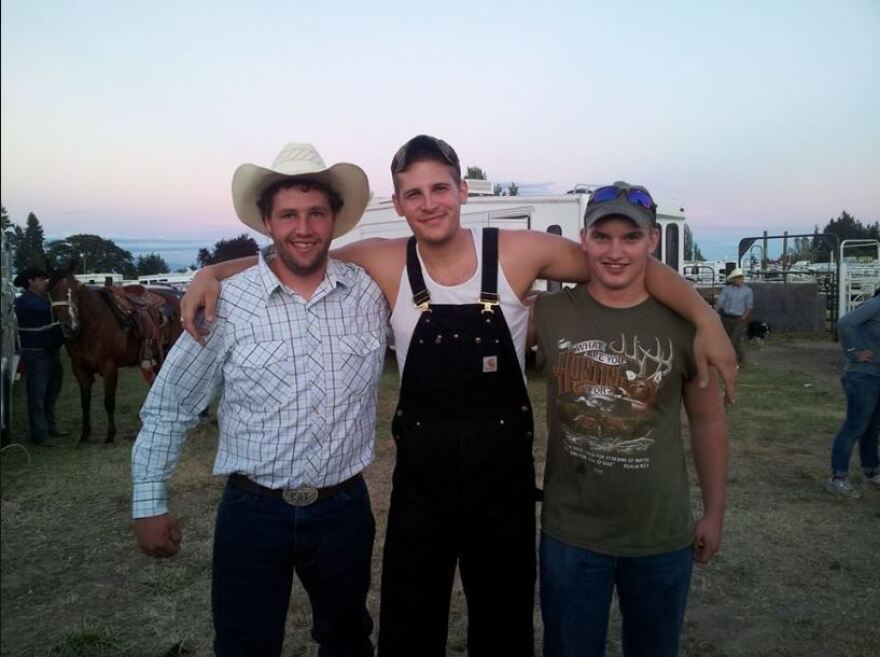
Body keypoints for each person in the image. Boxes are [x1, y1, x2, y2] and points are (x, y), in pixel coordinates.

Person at [181, 136, 737, 657]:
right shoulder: (384, 258)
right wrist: (215, 272)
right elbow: (299, 255)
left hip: (504, 492)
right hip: (421, 493)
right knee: (408, 629)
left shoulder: (519, 252)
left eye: (440, 188)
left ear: (462, 190)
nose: (429, 204)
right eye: (414, 194)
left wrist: (704, 317)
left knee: (503, 628)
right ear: (398, 203)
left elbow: (621, 264)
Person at [131, 143, 387, 657]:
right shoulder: (227, 302)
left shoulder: (370, 293)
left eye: (316, 213)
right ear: (268, 222)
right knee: (244, 645)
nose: (303, 228)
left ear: (334, 219)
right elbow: (171, 404)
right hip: (253, 512)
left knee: (348, 640)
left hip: (344, 511)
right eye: (288, 215)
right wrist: (149, 501)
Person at [534, 182, 728, 657]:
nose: (615, 252)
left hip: (659, 534)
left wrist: (714, 513)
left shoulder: (686, 325)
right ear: (583, 239)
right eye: (602, 237)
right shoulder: (549, 314)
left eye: (631, 237)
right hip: (571, 533)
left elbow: (708, 422)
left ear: (653, 240)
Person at [824, 290, 880, 499]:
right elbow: (845, 322)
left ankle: (871, 471)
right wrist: (853, 352)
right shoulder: (876, 304)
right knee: (855, 427)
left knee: (872, 427)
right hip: (863, 376)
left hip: (876, 375)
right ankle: (837, 478)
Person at [13, 267, 66, 445]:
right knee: (37, 397)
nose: (45, 283)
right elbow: (52, 309)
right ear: (31, 281)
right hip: (36, 355)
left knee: (51, 394)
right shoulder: (26, 301)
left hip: (51, 353)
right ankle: (39, 434)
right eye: (42, 279)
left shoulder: (44, 299)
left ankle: (50, 428)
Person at [715, 267, 753, 364]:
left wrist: (744, 317)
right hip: (727, 317)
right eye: (738, 278)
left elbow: (749, 306)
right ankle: (729, 359)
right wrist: (714, 312)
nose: (740, 280)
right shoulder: (726, 290)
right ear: (733, 279)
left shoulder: (747, 291)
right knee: (726, 339)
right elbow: (720, 302)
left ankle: (738, 359)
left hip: (739, 319)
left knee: (735, 340)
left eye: (741, 278)